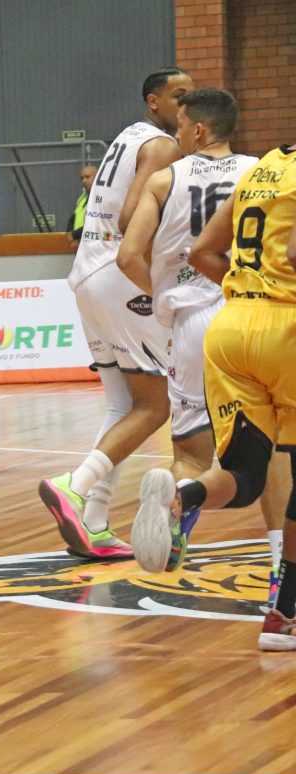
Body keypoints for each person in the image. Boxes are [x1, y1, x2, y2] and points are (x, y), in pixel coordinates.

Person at [129, 130, 296, 649]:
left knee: (245, 473)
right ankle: (285, 612)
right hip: (287, 331)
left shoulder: (266, 166)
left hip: (231, 326)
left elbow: (202, 250)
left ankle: (184, 496)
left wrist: (252, 294)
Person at [37, 67, 193, 561]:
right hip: (119, 277)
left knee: (121, 404)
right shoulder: (163, 146)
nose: (186, 105)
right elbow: (130, 219)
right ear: (154, 101)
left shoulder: (128, 136)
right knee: (156, 405)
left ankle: (95, 520)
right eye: (178, 96)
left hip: (87, 275)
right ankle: (75, 484)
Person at [66, 165, 98, 249]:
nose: (84, 181)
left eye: (87, 177)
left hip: (95, 245)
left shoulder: (101, 199)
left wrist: (73, 235)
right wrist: (71, 237)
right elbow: (72, 219)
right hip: (80, 244)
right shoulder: (82, 199)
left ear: (98, 177)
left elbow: (95, 224)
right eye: (82, 178)